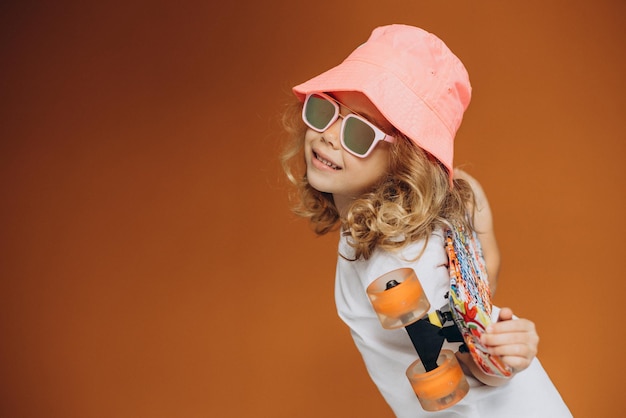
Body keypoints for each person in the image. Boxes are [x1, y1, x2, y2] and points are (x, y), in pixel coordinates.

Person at [281, 24, 571, 417]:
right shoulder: (420, 212)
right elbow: (484, 273)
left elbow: (474, 365)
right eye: (325, 109)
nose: (331, 136)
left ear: (405, 161)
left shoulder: (398, 260)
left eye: (360, 132)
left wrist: (505, 347)